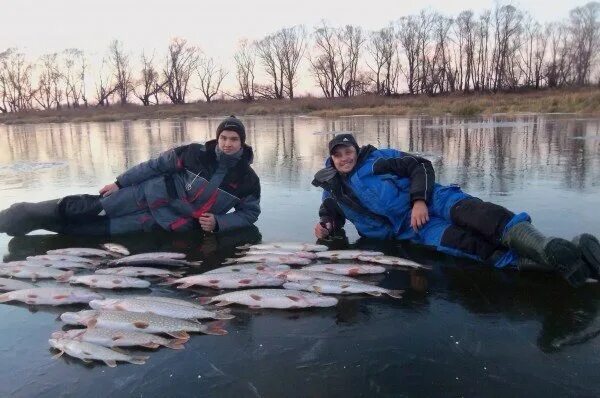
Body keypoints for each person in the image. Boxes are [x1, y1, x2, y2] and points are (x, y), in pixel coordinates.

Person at [312, 133, 600, 287]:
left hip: (433, 199)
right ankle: (562, 261)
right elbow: (331, 215)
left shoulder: (376, 159)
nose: (344, 158)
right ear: (332, 158)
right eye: (338, 155)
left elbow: (420, 165)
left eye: (348, 152)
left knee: (482, 216)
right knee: (468, 245)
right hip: (412, 230)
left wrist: (419, 200)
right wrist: (326, 226)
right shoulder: (332, 188)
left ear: (355, 150)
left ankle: (545, 245)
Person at [0, 115, 261, 236]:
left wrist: (219, 223)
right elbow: (153, 166)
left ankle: (35, 225)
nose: (227, 144)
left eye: (233, 139)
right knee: (83, 209)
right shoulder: (193, 153)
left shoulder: (248, 180)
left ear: (242, 142)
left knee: (91, 231)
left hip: (164, 222)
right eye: (223, 138)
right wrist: (119, 182)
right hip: (139, 196)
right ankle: (19, 215)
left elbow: (250, 214)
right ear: (217, 138)